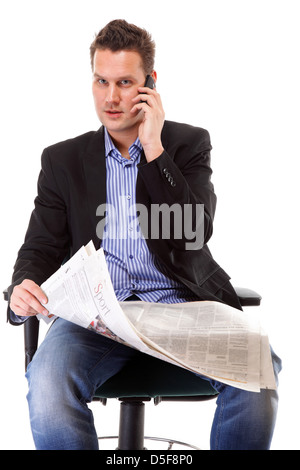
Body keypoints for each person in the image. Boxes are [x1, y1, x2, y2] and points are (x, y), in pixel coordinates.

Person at [7, 20, 281, 450]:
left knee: (258, 376)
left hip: (180, 308)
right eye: (101, 81)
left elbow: (192, 230)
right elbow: (42, 245)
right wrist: (22, 285)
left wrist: (154, 150)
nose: (111, 97)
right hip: (97, 319)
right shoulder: (63, 160)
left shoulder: (187, 144)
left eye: (125, 82)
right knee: (46, 385)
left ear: (150, 84)